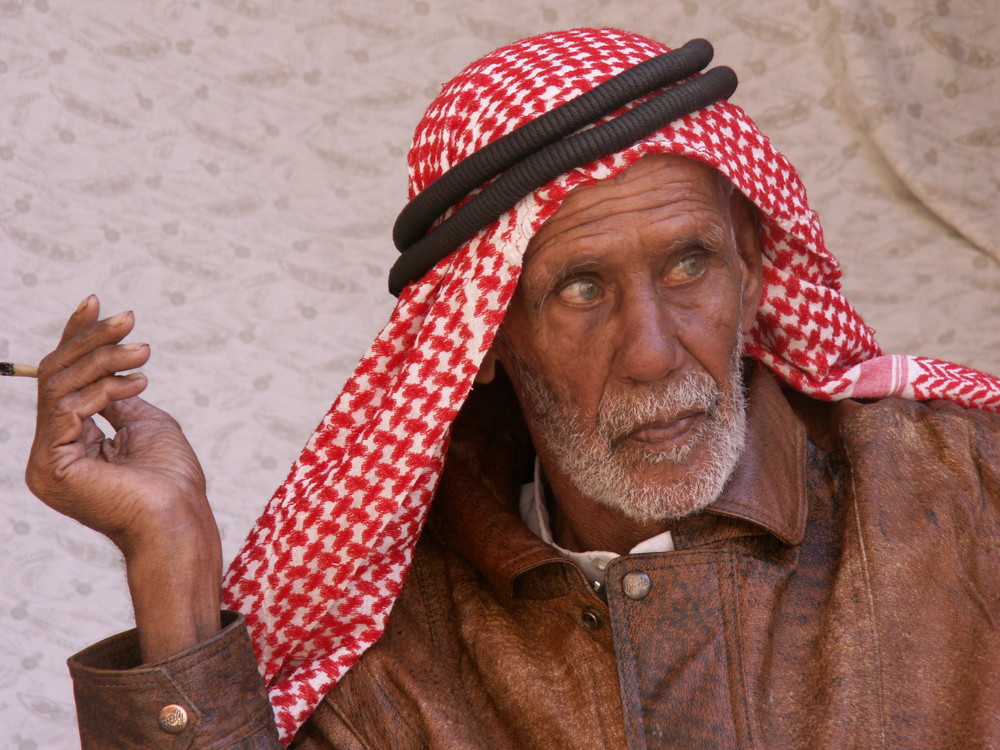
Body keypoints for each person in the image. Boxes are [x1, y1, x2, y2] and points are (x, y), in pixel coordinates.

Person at [24, 28, 1000, 750]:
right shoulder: (393, 647)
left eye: (689, 265)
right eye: (581, 288)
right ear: (485, 334)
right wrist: (171, 555)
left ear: (751, 264)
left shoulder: (963, 493)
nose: (654, 354)